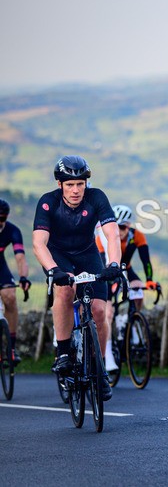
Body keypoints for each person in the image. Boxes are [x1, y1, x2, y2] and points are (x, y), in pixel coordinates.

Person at [32, 156, 122, 401]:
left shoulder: (97, 198)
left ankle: (100, 368)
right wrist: (52, 269)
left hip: (87, 253)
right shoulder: (48, 202)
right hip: (57, 255)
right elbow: (39, 243)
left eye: (80, 184)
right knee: (65, 290)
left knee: (100, 311)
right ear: (59, 184)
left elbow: (112, 234)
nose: (75, 190)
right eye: (70, 184)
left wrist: (114, 263)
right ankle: (63, 352)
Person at [96, 204, 159, 371]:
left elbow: (146, 260)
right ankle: (108, 354)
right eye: (116, 226)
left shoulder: (137, 235)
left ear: (129, 226)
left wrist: (150, 279)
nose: (120, 230)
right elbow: (103, 261)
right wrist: (115, 281)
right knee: (108, 313)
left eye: (123, 227)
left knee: (138, 288)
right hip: (106, 271)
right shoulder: (103, 237)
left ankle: (133, 319)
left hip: (127, 269)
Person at [0, 199, 32, 364]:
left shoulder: (12, 230)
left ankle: (11, 349)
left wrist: (23, 277)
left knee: (10, 297)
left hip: (1, 267)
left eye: (2, 220)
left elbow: (20, 258)